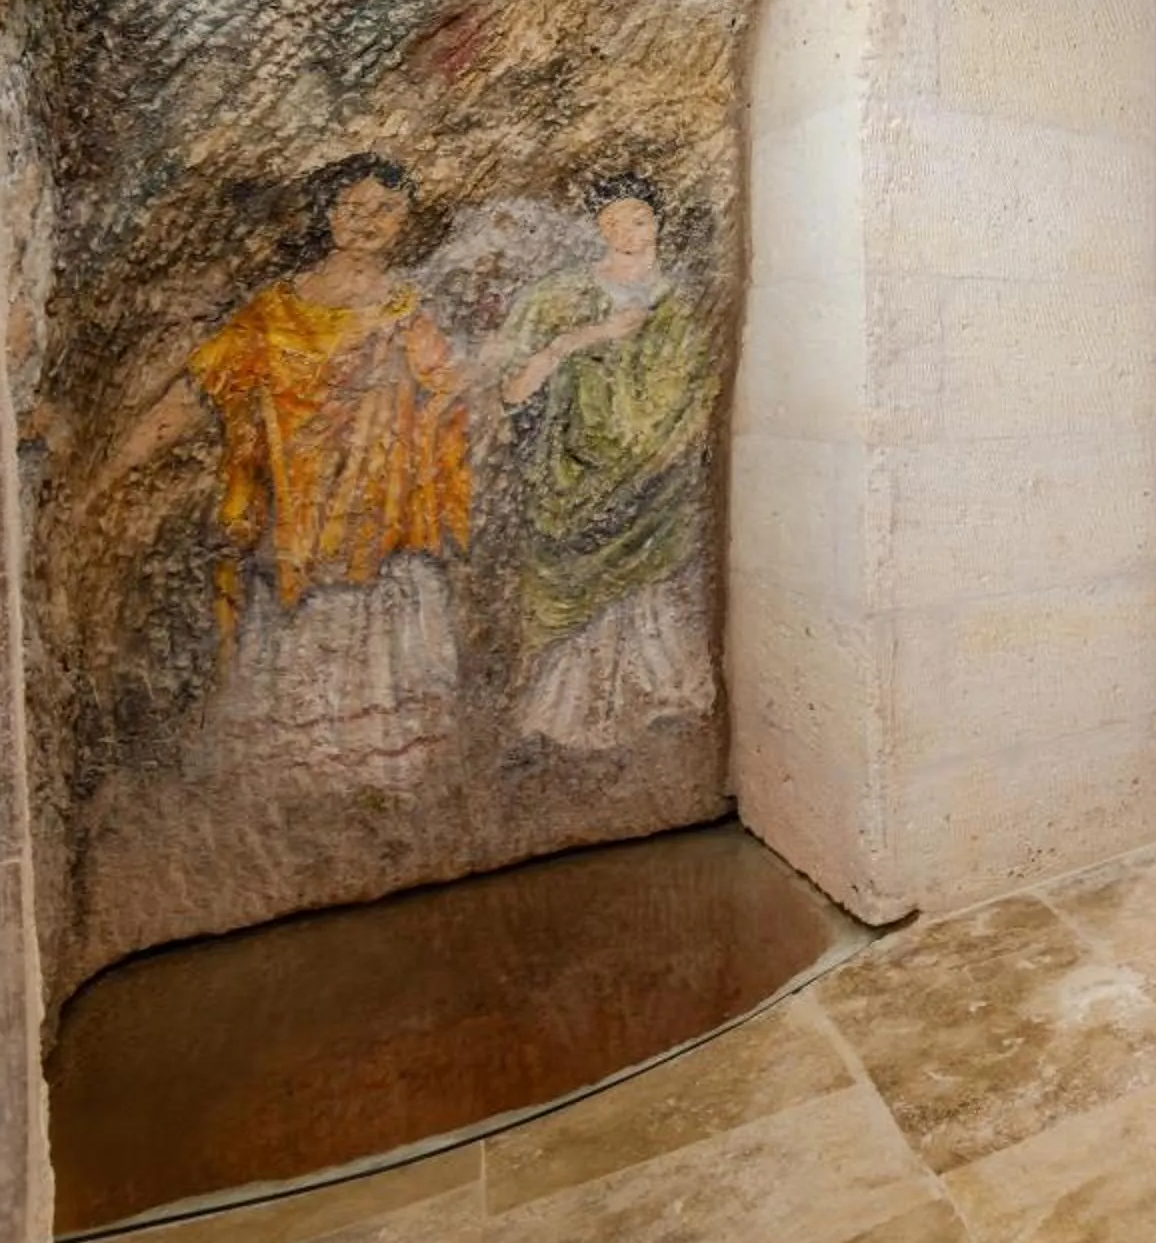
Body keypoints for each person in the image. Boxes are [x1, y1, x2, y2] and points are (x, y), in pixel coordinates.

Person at [93, 154, 470, 784]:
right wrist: (110, 474)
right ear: (329, 215)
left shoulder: (412, 311)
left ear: (405, 219)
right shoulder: (273, 314)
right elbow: (199, 389)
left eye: (385, 208)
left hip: (382, 533)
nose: (368, 221)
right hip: (299, 521)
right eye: (353, 207)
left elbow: (453, 405)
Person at [497, 174, 714, 748]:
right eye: (613, 221)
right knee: (573, 608)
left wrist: (650, 457)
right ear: (598, 228)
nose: (625, 232)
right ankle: (569, 721)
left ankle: (657, 705)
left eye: (637, 219)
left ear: (658, 224)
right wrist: (585, 337)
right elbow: (513, 389)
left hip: (657, 489)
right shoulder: (557, 297)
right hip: (569, 483)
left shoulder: (682, 307)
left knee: (654, 594)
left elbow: (693, 400)